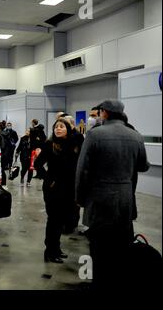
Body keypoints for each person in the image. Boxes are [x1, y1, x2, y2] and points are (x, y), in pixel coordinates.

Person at [75, 100, 149, 290]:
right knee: (122, 243)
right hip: (125, 198)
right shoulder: (136, 136)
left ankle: (100, 282)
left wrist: (80, 197)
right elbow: (143, 166)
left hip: (99, 198)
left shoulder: (94, 135)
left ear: (104, 113)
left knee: (99, 245)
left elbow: (82, 169)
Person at [34, 118, 81, 263]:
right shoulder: (49, 144)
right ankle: (50, 251)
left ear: (68, 129)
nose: (58, 129)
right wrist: (48, 178)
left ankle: (56, 248)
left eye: (62, 127)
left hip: (68, 188)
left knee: (61, 221)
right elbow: (38, 164)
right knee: (53, 220)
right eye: (56, 127)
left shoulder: (73, 145)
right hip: (52, 189)